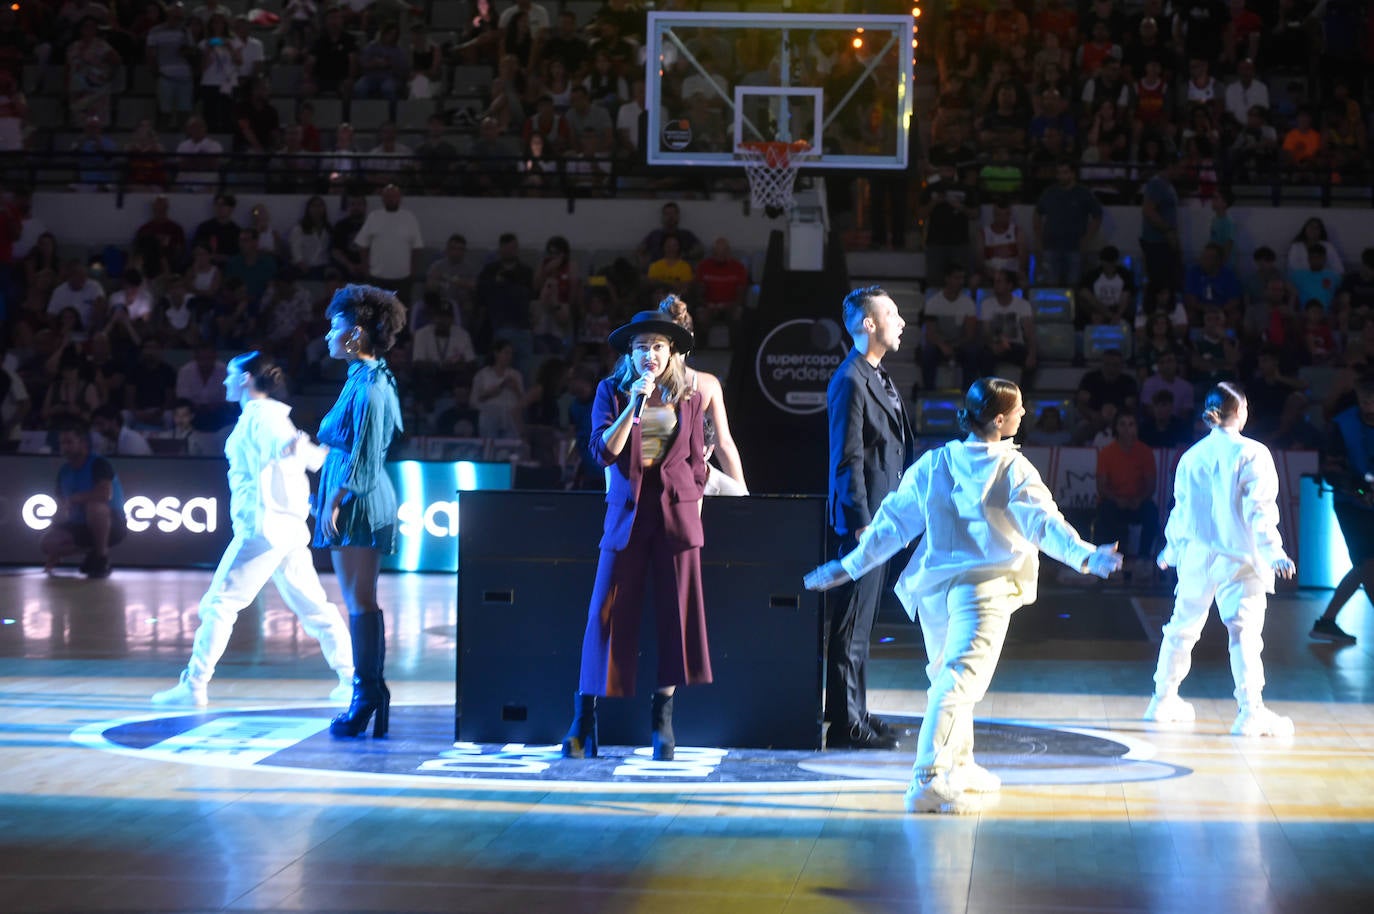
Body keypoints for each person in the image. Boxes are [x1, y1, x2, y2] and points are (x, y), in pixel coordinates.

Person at [805, 378, 1122, 814]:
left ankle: (960, 762)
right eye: (1019, 409)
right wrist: (1087, 557)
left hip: (936, 590)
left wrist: (851, 565)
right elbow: (1043, 525)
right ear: (998, 419)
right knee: (957, 681)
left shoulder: (936, 463)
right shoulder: (1012, 468)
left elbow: (893, 523)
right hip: (983, 589)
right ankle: (929, 778)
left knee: (949, 680)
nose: (1025, 414)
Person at [151, 352, 354, 707]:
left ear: (245, 379)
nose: (225, 381)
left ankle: (195, 684)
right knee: (314, 606)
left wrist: (296, 449)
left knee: (219, 604)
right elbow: (311, 459)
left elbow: (292, 452)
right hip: (285, 529)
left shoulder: (262, 419)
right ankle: (352, 678)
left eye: (230, 375)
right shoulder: (274, 418)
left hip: (263, 530)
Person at [560, 310, 710, 762]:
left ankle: (662, 719)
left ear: (673, 353)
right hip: (627, 515)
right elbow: (603, 450)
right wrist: (633, 405)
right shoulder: (612, 391)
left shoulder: (691, 396)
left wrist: (693, 491)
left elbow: (697, 460)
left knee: (676, 617)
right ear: (631, 353)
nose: (650, 354)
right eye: (642, 346)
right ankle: (584, 721)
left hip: (676, 515)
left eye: (659, 346)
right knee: (603, 614)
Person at [1145, 382, 1297, 737]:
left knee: (1181, 627)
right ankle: (1250, 711)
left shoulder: (1191, 456)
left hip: (1198, 558)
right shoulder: (1253, 453)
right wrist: (1274, 552)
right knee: (1244, 634)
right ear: (1241, 411)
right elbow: (1260, 510)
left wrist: (1171, 550)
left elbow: (1180, 512)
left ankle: (1162, 698)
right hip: (1239, 558)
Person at [824, 285, 915, 750]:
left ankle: (857, 710)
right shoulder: (850, 379)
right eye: (892, 314)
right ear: (868, 324)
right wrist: (861, 523)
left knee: (864, 623)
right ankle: (843, 720)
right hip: (863, 524)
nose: (901, 322)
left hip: (884, 520)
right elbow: (847, 458)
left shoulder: (877, 376)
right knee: (850, 624)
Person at [315, 285, 407, 738]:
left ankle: (367, 694)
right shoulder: (366, 378)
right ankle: (371, 693)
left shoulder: (370, 387)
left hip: (358, 501)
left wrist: (337, 498)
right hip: (353, 496)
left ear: (354, 335)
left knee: (359, 602)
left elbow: (367, 458)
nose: (326, 335)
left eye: (333, 327)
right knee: (359, 601)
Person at [658, 294, 746, 494]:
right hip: (656, 477)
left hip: (699, 474)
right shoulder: (645, 383)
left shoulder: (707, 384)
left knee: (738, 496)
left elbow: (723, 443)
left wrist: (743, 497)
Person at [1312, 372, 1374, 644]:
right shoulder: (1342, 423)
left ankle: (1326, 621)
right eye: (1365, 396)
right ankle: (1326, 621)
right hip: (1351, 504)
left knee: (1365, 566)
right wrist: (1360, 491)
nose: (1368, 402)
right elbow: (1331, 468)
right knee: (1368, 564)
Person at [41, 422, 127, 578]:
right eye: (62, 443)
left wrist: (75, 498)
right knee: (47, 543)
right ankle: (93, 550)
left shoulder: (99, 463)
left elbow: (104, 494)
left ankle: (101, 557)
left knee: (95, 507)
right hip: (80, 524)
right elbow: (61, 507)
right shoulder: (63, 472)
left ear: (82, 443)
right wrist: (54, 553)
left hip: (112, 523)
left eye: (69, 442)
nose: (65, 447)